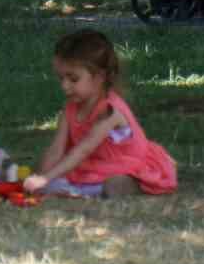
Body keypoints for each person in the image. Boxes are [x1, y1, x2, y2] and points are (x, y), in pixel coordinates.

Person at [23, 30, 177, 198]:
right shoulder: (70, 109)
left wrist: (46, 179)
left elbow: (83, 149)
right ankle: (93, 187)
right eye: (61, 78)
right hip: (92, 166)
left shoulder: (109, 111)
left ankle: (132, 184)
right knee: (59, 181)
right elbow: (56, 150)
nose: (65, 86)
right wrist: (40, 178)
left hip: (126, 164)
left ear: (99, 77)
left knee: (110, 184)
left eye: (73, 79)